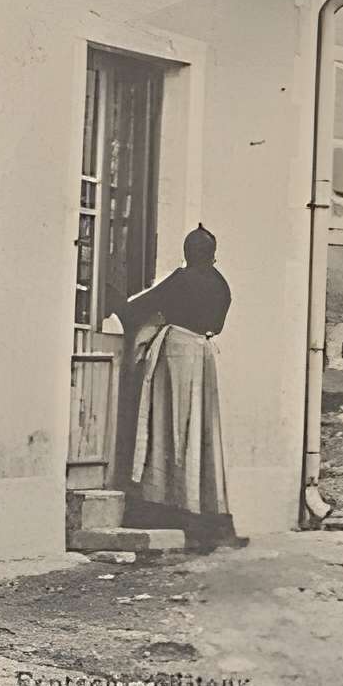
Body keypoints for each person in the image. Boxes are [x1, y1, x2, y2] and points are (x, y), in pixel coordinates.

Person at [121, 224, 245, 551]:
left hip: (176, 352)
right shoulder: (220, 284)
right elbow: (217, 324)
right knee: (200, 432)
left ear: (189, 254)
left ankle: (168, 505)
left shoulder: (181, 279)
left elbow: (137, 307)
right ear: (213, 255)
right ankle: (205, 511)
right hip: (204, 355)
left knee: (169, 425)